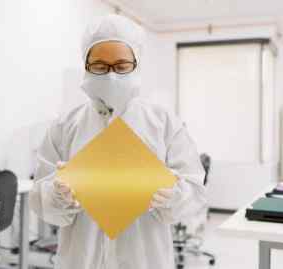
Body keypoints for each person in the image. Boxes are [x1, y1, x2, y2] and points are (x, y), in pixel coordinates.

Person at [28, 14, 207, 269]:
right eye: (100, 66)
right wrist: (57, 195)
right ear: (85, 64)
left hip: (145, 259)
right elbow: (39, 197)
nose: (111, 76)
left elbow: (195, 193)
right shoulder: (65, 126)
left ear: (137, 63)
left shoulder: (163, 123)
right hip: (80, 260)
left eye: (122, 66)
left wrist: (172, 194)